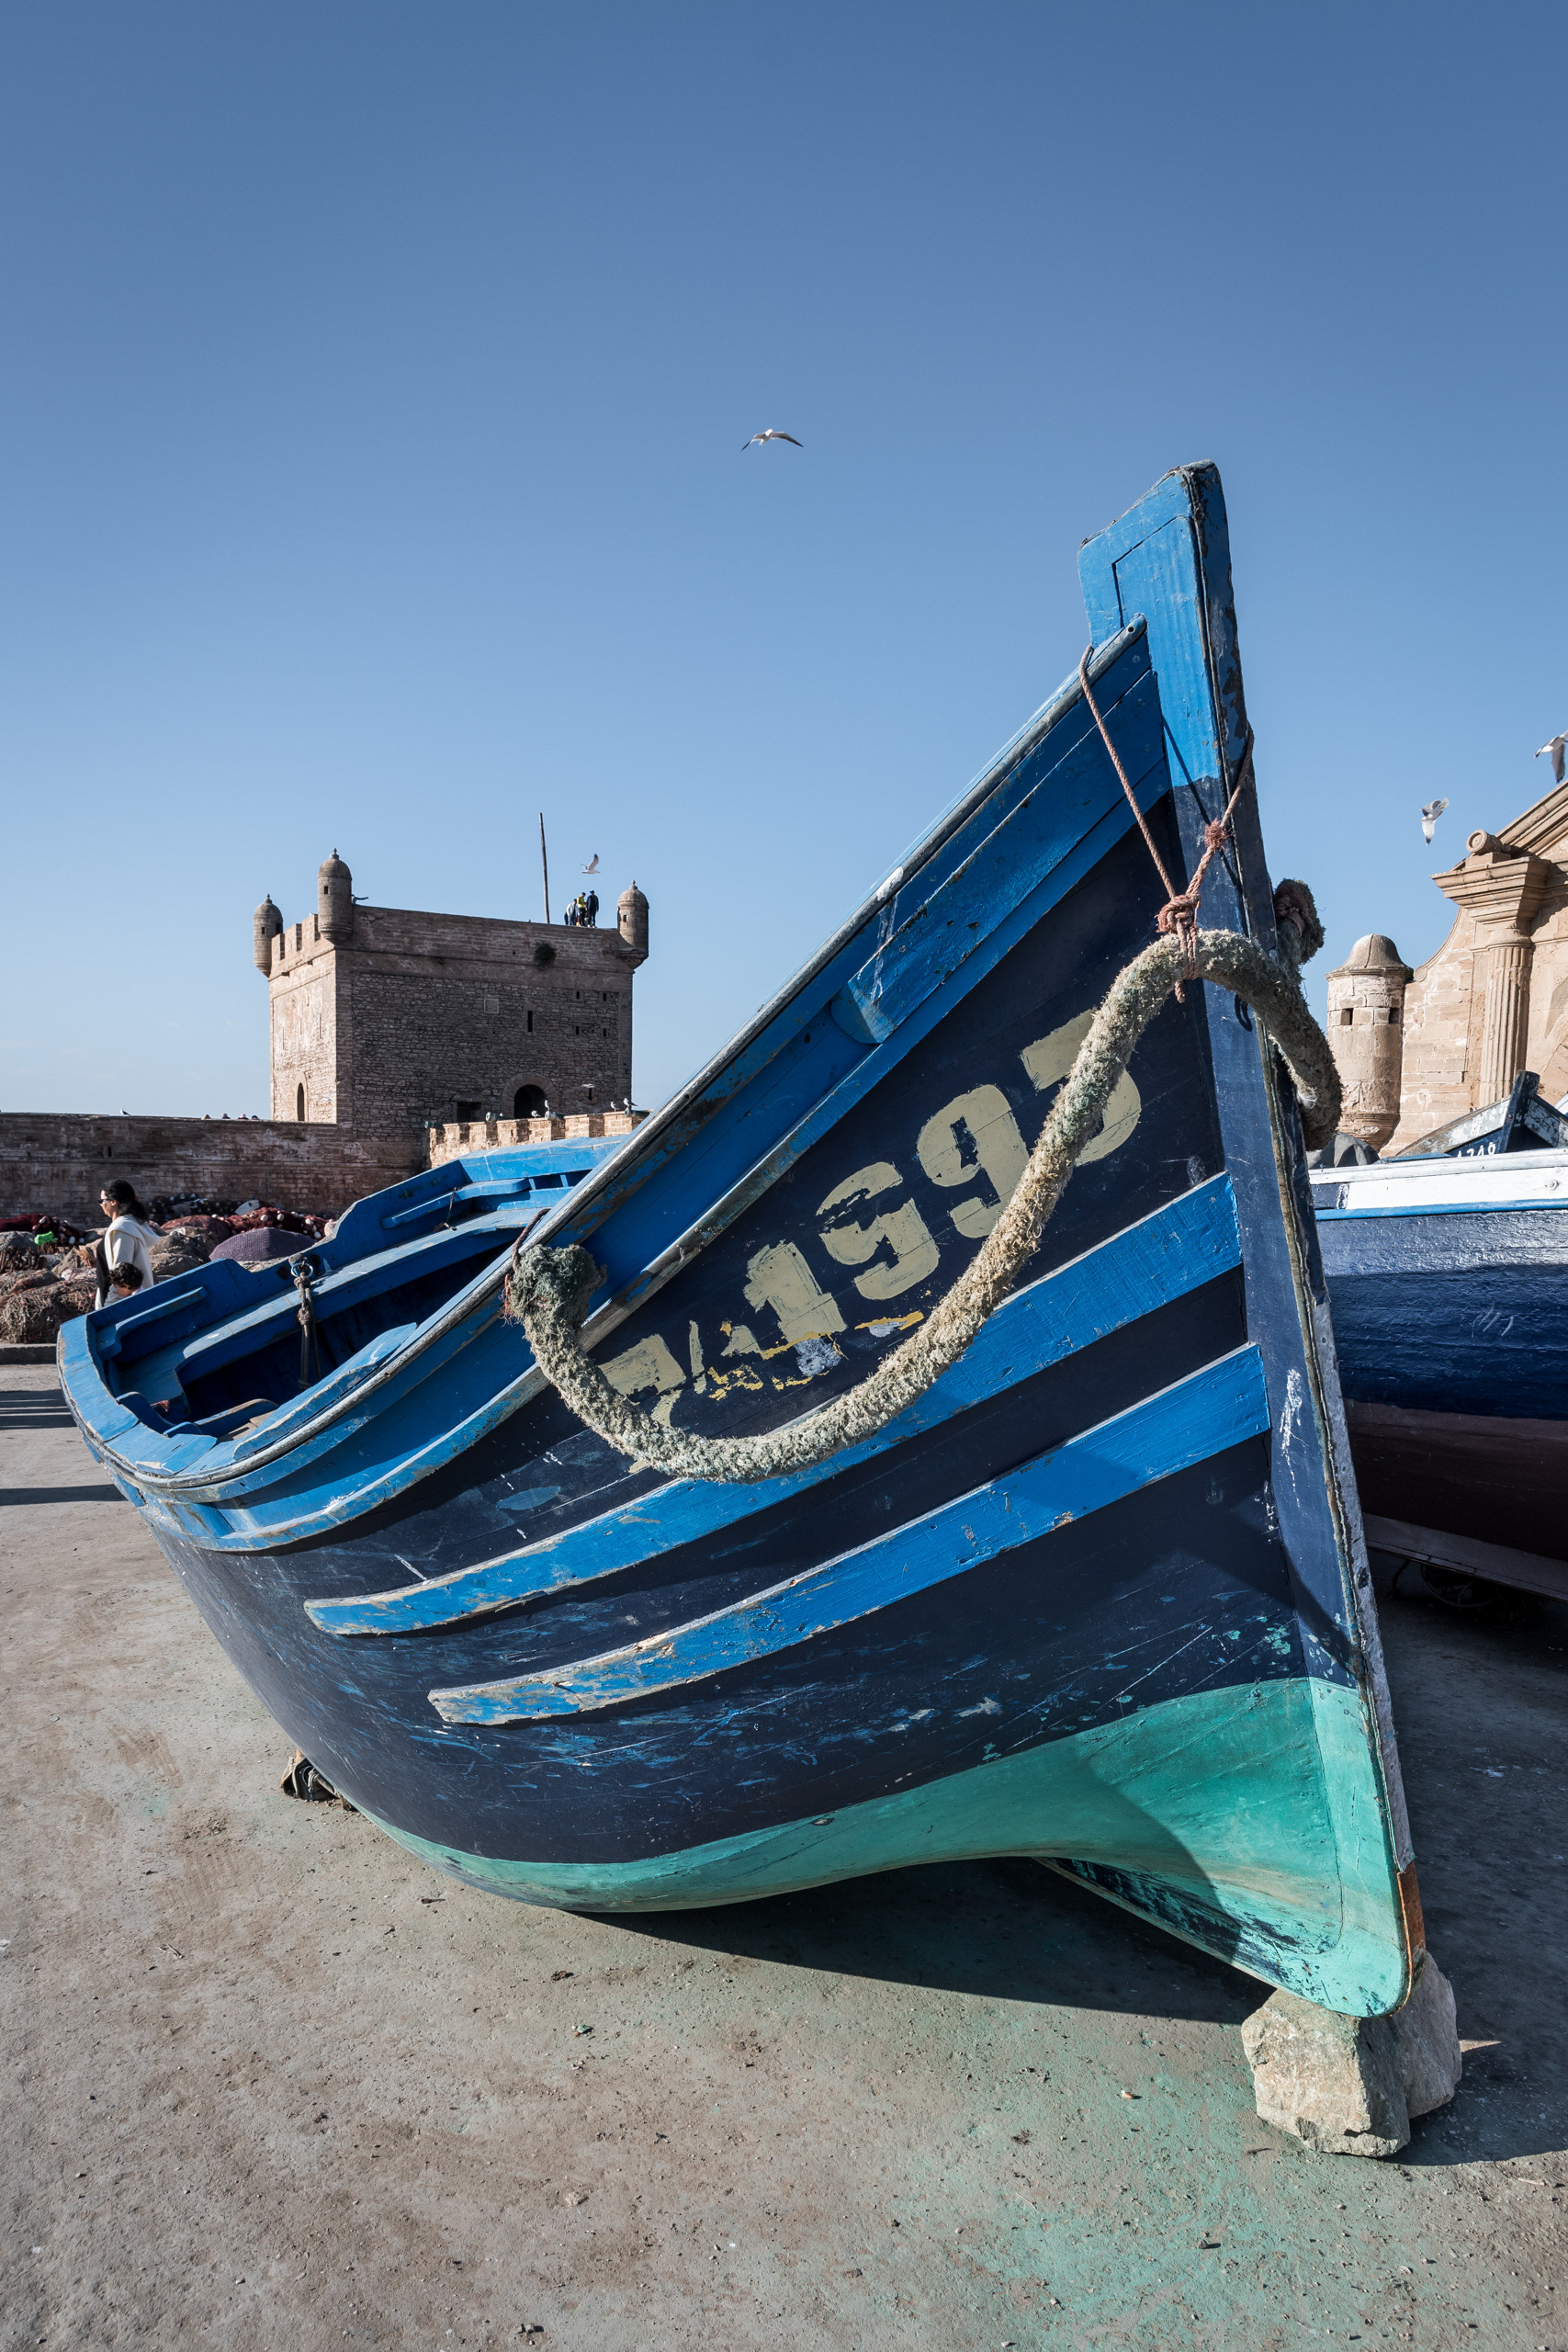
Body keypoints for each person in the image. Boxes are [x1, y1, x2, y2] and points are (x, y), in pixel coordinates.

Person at [96, 1181, 159, 1308]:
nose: (101, 1205)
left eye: (101, 1201)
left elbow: (122, 1274)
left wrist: (109, 1308)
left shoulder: (122, 1229)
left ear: (113, 1201)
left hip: (122, 1309)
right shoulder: (132, 1225)